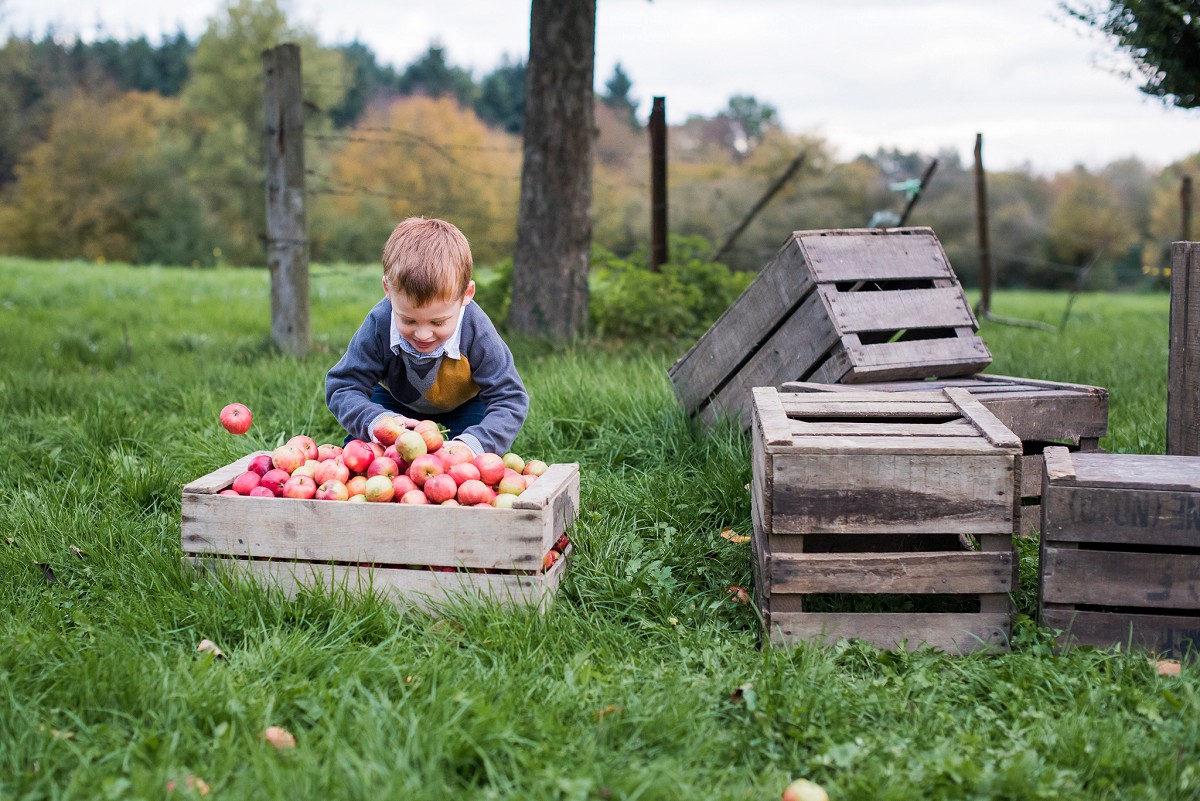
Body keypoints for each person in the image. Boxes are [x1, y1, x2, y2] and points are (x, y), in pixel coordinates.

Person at [325, 217, 528, 457]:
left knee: (474, 464)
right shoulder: (379, 322)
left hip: (467, 404)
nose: (422, 334)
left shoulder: (477, 330)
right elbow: (343, 385)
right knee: (362, 458)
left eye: (438, 322)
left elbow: (510, 397)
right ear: (388, 290)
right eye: (408, 320)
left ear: (466, 295)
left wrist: (473, 445)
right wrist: (377, 421)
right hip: (395, 403)